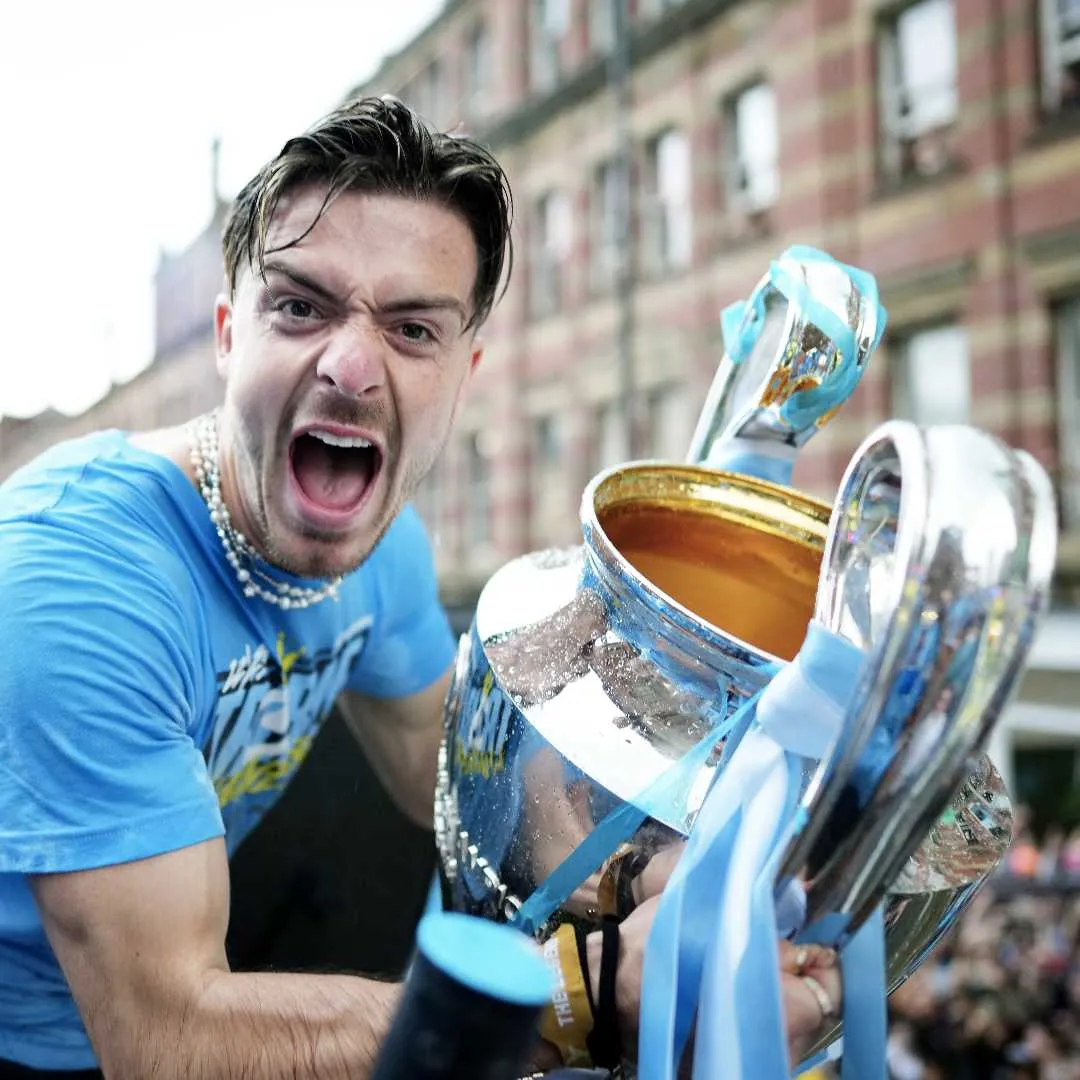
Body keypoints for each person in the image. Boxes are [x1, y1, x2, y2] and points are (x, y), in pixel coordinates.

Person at [0, 95, 840, 1078]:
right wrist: (588, 993)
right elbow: (168, 1035)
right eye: (301, 306)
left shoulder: (381, 543)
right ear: (230, 337)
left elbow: (461, 785)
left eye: (412, 329)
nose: (352, 367)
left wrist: (659, 870)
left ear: (464, 371)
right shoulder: (74, 583)